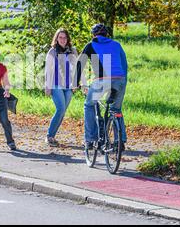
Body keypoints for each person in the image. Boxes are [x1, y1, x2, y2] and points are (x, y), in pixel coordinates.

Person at [76, 23, 128, 151]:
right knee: (116, 110)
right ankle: (120, 141)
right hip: (120, 79)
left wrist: (75, 82)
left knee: (89, 105)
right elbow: (124, 64)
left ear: (93, 35)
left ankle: (90, 140)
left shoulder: (90, 45)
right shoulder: (116, 45)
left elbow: (79, 63)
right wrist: (123, 81)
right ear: (107, 35)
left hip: (102, 80)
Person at [44, 28, 82, 146]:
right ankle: (49, 136)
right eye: (60, 37)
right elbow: (47, 70)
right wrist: (47, 86)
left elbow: (77, 68)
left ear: (68, 39)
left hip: (69, 85)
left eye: (65, 37)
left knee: (62, 112)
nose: (62, 40)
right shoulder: (52, 51)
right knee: (60, 109)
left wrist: (76, 82)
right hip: (56, 84)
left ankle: (52, 136)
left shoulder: (72, 51)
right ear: (56, 38)